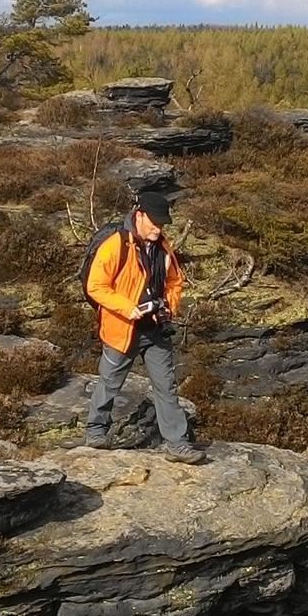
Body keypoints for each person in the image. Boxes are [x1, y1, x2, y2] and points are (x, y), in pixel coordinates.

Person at [82, 190, 206, 463]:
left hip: (155, 329)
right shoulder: (116, 245)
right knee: (110, 382)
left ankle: (177, 444)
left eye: (162, 224)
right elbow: (95, 286)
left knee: (167, 386)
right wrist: (129, 308)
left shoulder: (163, 246)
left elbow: (175, 281)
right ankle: (95, 431)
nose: (158, 229)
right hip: (122, 328)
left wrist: (168, 307)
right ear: (139, 216)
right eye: (154, 223)